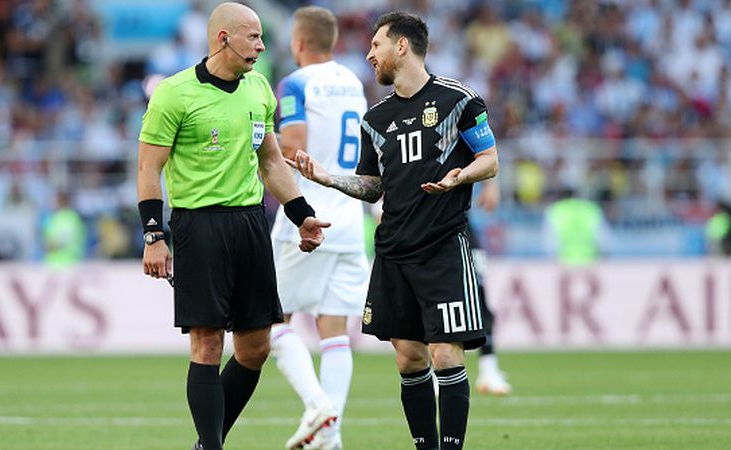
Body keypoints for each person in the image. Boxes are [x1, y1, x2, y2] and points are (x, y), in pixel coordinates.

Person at [292, 12, 499, 450]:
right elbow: (372, 187)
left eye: (376, 46)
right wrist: (330, 179)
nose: (369, 54)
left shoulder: (458, 100)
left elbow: (491, 159)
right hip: (392, 251)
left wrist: (460, 177)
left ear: (401, 47)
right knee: (409, 358)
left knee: (446, 353)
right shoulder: (376, 118)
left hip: (443, 245)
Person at [136, 3, 330, 450]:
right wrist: (153, 236)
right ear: (222, 38)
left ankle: (206, 444)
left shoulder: (260, 89)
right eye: (253, 37)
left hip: (248, 224)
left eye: (262, 37)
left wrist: (301, 215)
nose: (262, 46)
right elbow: (149, 168)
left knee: (255, 348)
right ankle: (213, 446)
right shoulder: (173, 93)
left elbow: (271, 162)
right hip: (198, 225)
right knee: (207, 344)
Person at [268, 6, 369, 450]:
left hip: (305, 219)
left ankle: (316, 406)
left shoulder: (295, 82)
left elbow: (292, 147)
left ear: (299, 42)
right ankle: (332, 438)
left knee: (269, 321)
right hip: (349, 220)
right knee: (334, 331)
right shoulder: (354, 83)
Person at [471, 180, 512, 396]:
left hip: (460, 224)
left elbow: (483, 150)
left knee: (479, 298)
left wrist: (491, 185)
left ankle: (489, 369)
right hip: (419, 229)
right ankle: (433, 376)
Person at [543, 187, 610, 266]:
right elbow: (602, 235)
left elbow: (550, 238)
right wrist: (604, 255)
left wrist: (554, 258)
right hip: (590, 260)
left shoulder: (556, 209)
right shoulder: (591, 208)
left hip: (564, 260)